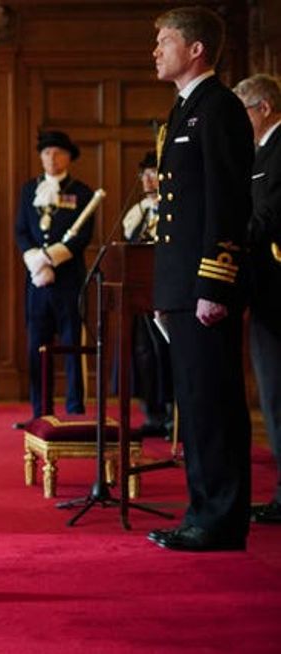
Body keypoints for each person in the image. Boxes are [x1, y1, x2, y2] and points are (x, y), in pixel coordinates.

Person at [145, 7, 254, 552]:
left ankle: (220, 518)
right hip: (182, 288)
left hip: (204, 287)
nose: (156, 50)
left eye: (165, 41)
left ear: (196, 50)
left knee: (214, 405)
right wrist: (170, 294)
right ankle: (202, 510)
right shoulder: (185, 110)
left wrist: (215, 283)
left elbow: (228, 203)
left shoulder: (219, 108)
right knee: (195, 401)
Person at [13, 130, 95, 425]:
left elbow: (82, 236)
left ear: (68, 157)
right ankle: (40, 412)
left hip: (68, 282)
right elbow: (21, 230)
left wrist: (50, 259)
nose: (52, 158)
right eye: (46, 153)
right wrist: (34, 260)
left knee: (73, 344)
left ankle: (75, 411)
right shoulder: (28, 190)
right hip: (36, 283)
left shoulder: (82, 192)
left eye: (58, 152)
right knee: (38, 346)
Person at [233, 74, 281, 524]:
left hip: (276, 288)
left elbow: (266, 218)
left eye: (241, 111)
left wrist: (220, 236)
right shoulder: (263, 151)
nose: (236, 121)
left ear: (263, 107)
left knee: (277, 391)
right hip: (266, 285)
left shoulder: (278, 149)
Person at [121, 151, 174, 437]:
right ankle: (151, 412)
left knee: (166, 353)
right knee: (144, 354)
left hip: (167, 293)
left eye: (152, 172)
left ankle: (171, 414)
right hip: (139, 295)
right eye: (143, 173)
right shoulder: (138, 212)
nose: (147, 178)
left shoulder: (172, 207)